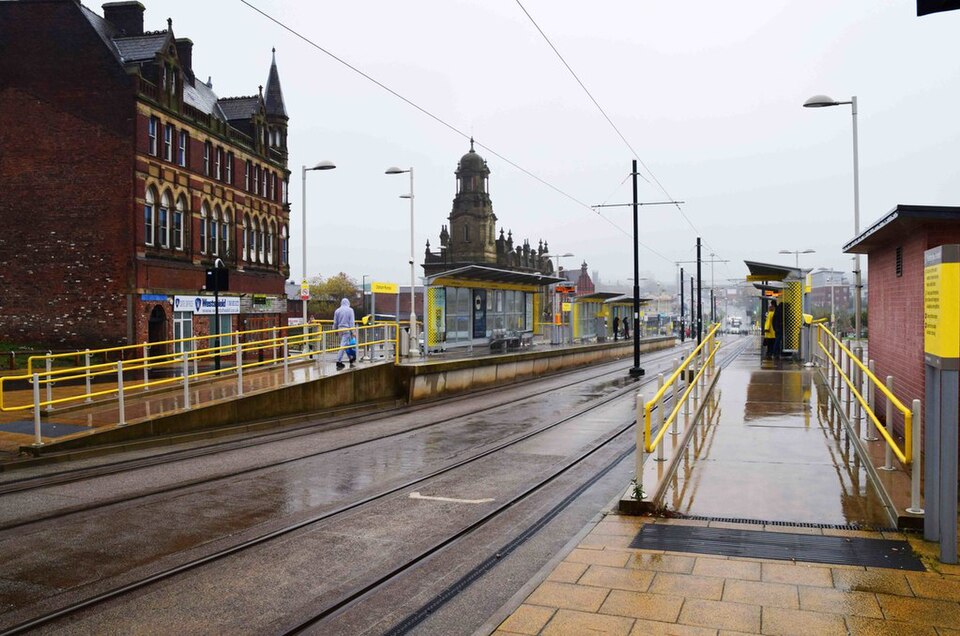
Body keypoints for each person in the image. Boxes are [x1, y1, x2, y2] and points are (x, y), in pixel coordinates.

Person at [333, 297, 356, 370]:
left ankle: (351, 358)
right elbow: (351, 322)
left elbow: (335, 322)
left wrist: (335, 330)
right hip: (346, 330)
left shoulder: (337, 311)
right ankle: (338, 361)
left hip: (340, 329)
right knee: (343, 346)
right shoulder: (350, 310)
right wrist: (353, 331)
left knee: (345, 345)